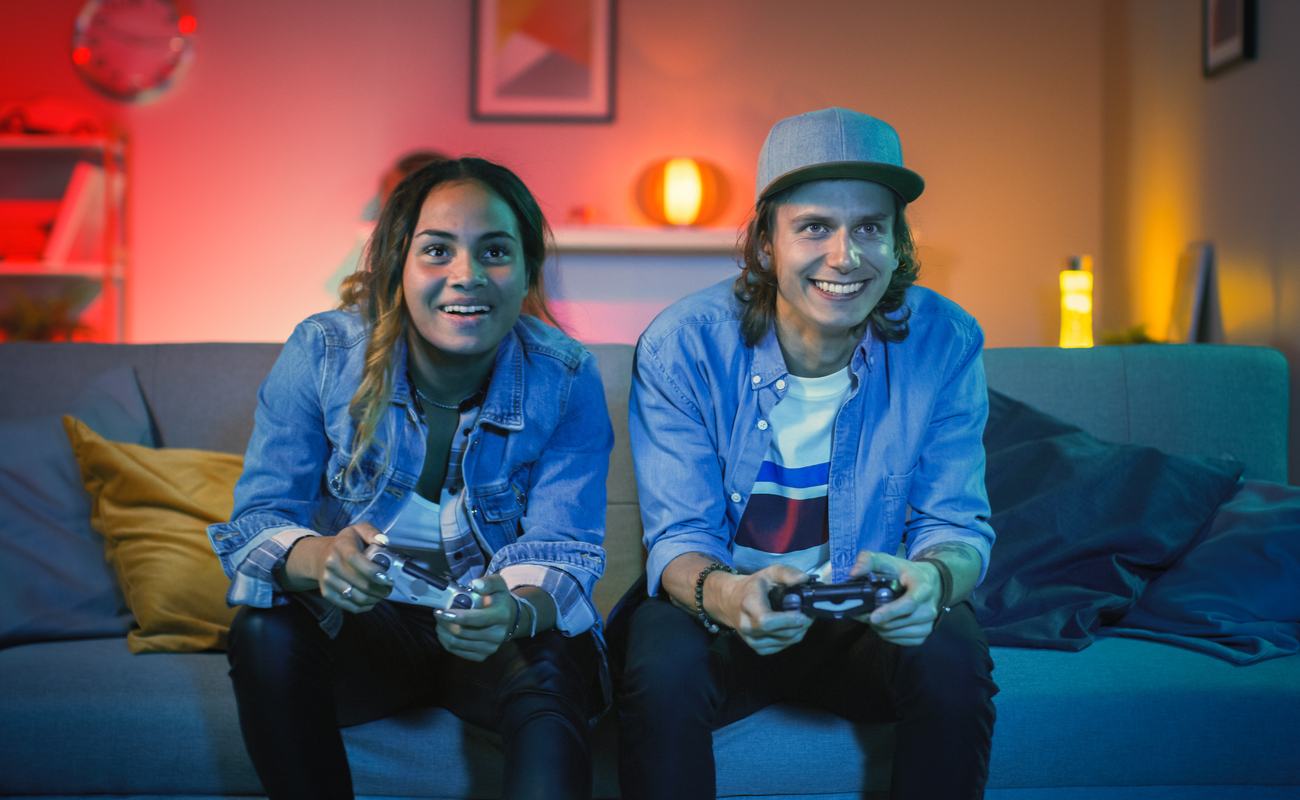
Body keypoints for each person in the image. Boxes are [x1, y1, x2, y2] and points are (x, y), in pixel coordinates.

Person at [611, 108, 999, 799]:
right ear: (767, 244)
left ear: (897, 243)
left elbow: (954, 525)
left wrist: (935, 582)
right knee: (658, 663)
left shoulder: (946, 341)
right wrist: (728, 595)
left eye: (870, 228)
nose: (845, 256)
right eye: (815, 226)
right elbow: (679, 539)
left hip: (868, 617)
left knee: (953, 657)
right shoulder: (682, 347)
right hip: (732, 608)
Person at [209, 156, 613, 800]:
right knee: (264, 628)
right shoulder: (323, 353)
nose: (467, 276)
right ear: (399, 263)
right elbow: (256, 522)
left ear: (529, 271)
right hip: (370, 636)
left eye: (495, 252)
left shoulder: (564, 377)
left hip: (493, 637)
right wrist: (319, 558)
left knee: (552, 648)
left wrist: (514, 610)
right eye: (437, 251)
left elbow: (564, 550)